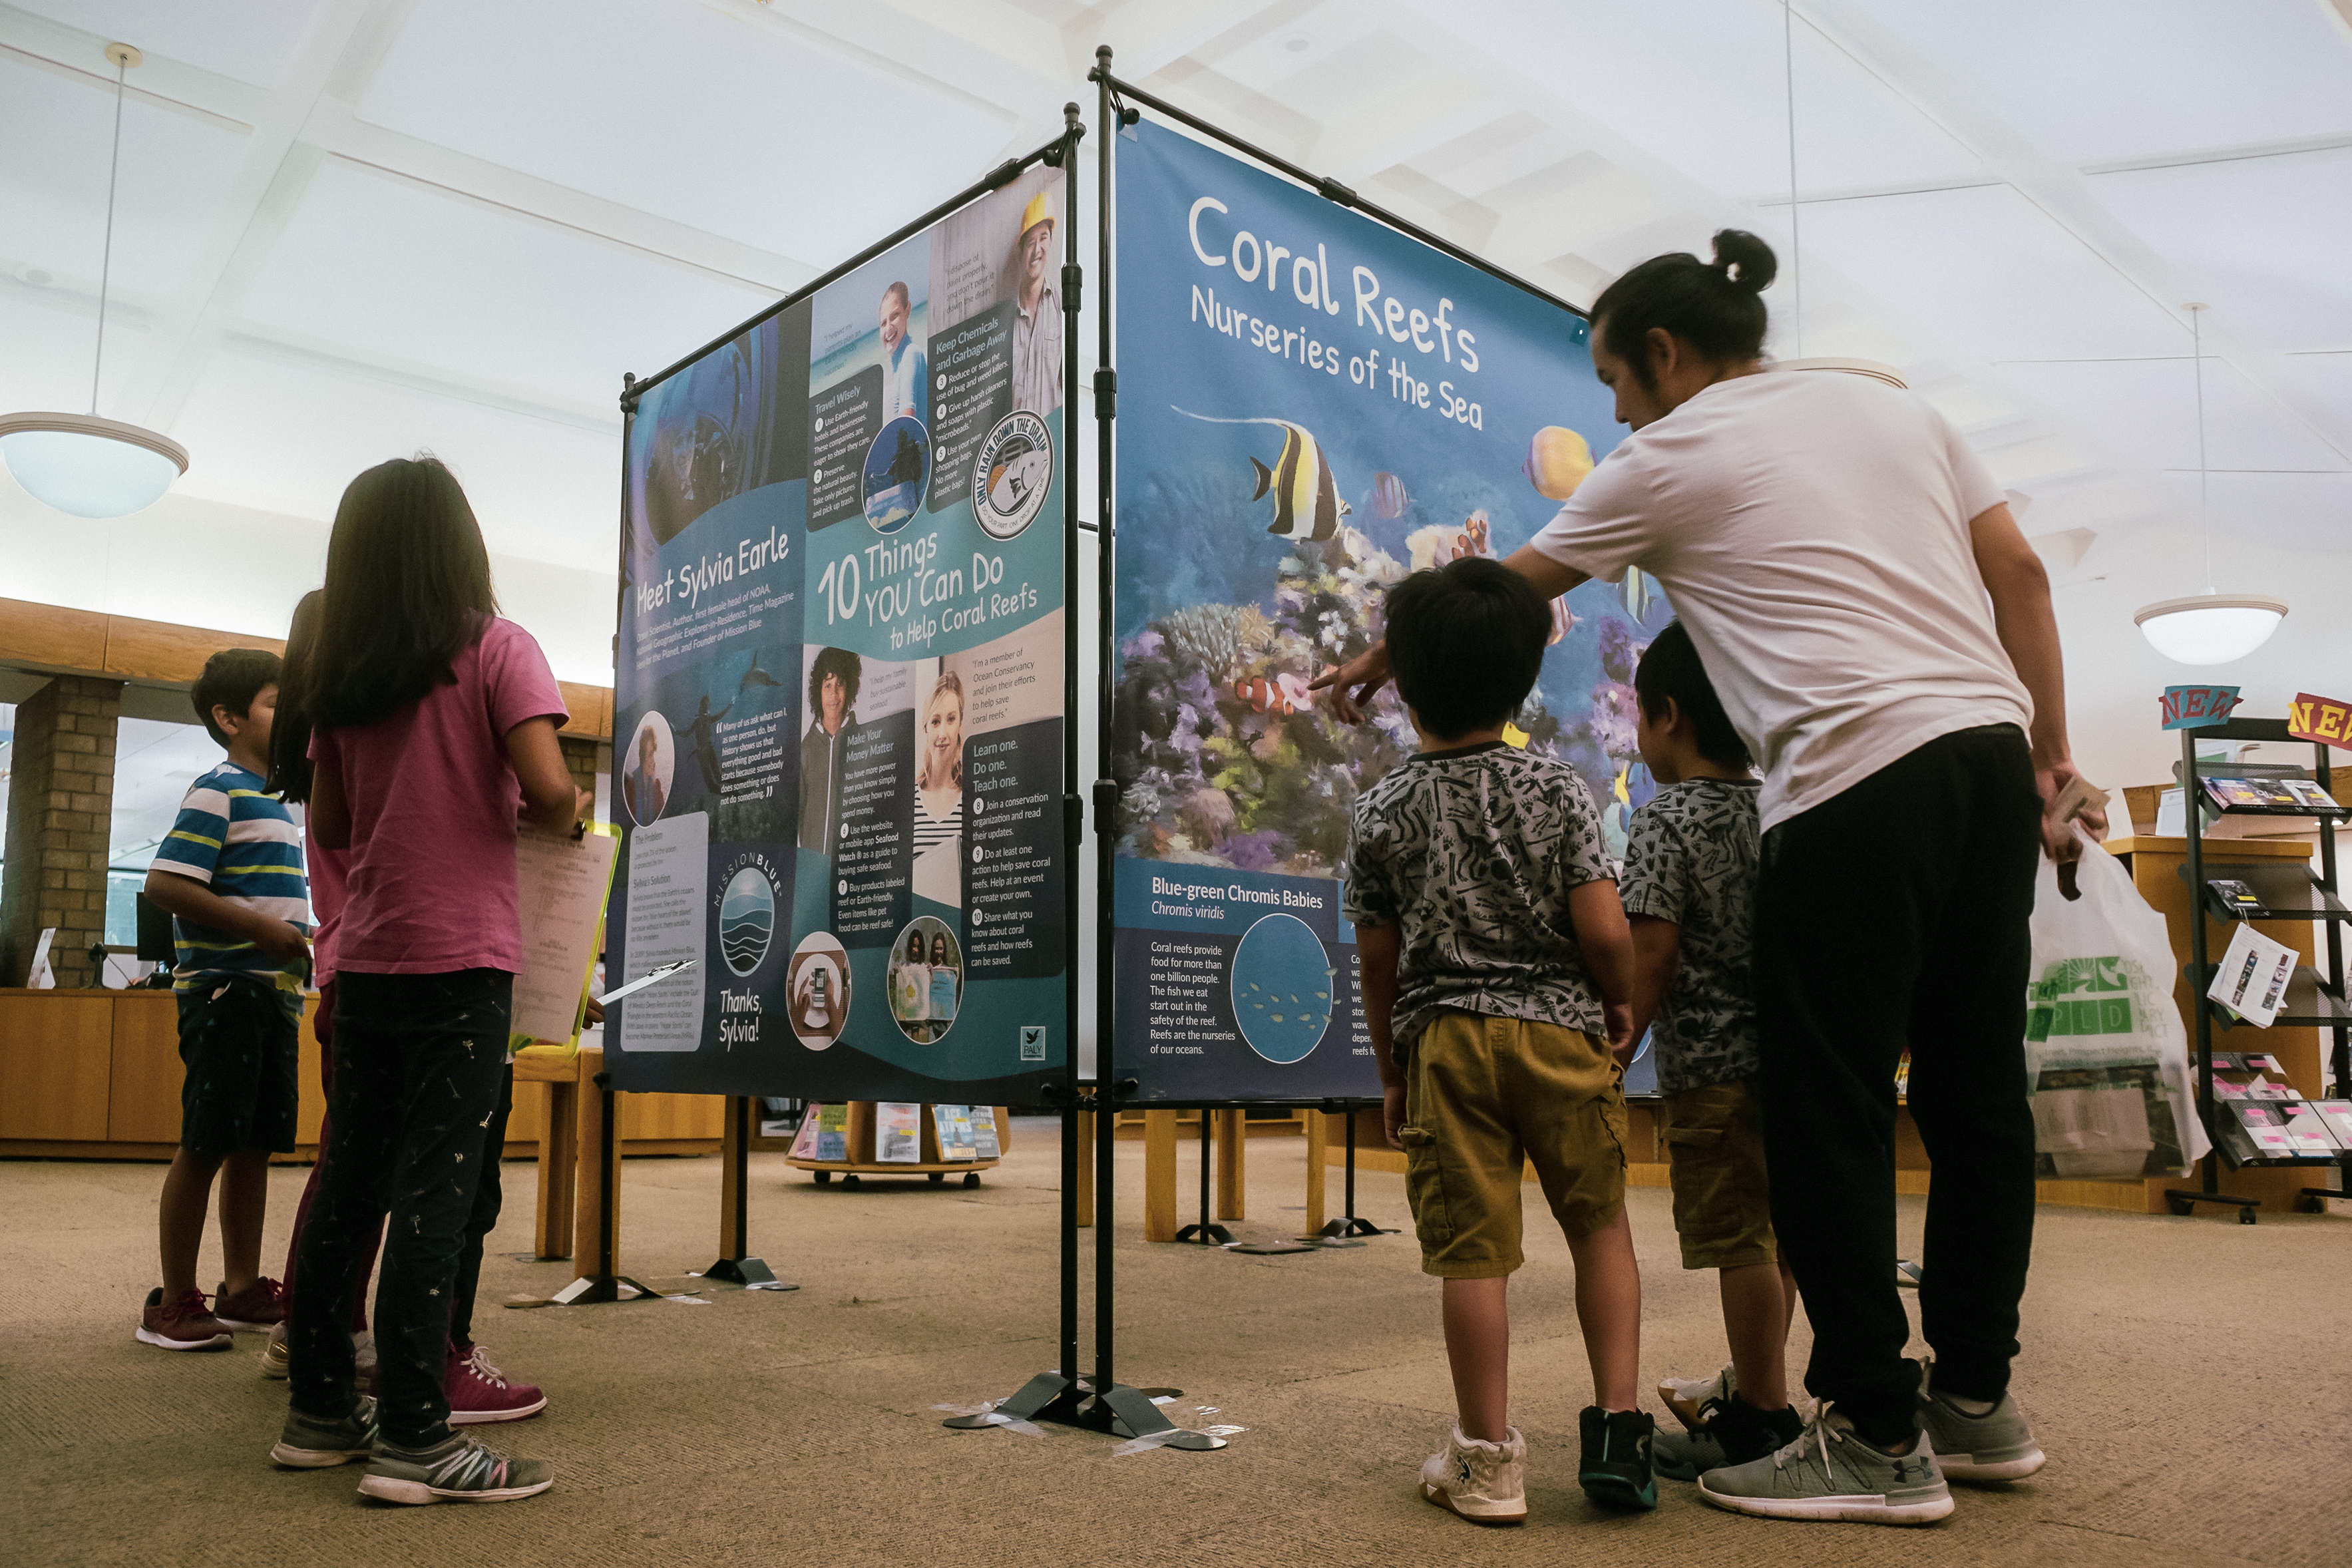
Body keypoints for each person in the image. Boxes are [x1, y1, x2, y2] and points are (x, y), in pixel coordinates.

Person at [1318, 230, 2088, 1525]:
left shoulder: (1669, 451)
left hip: (1854, 783)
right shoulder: (1893, 405)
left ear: (1665, 355)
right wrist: (2052, 752)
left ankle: (1872, 1430)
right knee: (1974, 1096)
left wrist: (1374, 659)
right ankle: (1974, 1401)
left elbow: (1508, 596)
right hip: (1985, 759)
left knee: (1826, 1106)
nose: (1615, 411)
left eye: (1618, 380)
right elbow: (2021, 570)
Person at [271, 456, 582, 1504]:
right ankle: (414, 1436)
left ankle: (318, 1411)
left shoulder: (341, 681)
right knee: (437, 1199)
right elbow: (547, 791)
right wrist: (567, 812)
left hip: (367, 966)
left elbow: (333, 827)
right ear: (464, 544)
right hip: (463, 968)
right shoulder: (501, 647)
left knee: (349, 1188)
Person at [1343, 556, 1650, 1527]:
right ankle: (1618, 1434)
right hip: (1560, 1036)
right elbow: (1604, 930)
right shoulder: (1558, 788)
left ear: (1407, 683)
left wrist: (1391, 1071)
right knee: (1599, 1228)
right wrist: (1617, 998)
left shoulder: (1380, 810)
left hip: (1444, 1045)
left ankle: (1485, 1463)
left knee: (1471, 1256)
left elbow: (1378, 965)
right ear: (1524, 677)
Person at [1618, 621, 1802, 1481]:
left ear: (1669, 715)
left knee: (1739, 1241)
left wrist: (1610, 1052)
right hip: (1797, 1063)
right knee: (1779, 1231)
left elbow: (1649, 953)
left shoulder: (1664, 822)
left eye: (1636, 716)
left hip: (1713, 1075)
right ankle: (1760, 1383)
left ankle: (1759, 1416)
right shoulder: (1784, 810)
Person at [138, 649, 311, 1351]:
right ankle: (174, 1297)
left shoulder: (281, 799)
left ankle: (241, 1287)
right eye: (276, 704)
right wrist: (260, 928)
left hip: (275, 996)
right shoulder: (220, 790)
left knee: (256, 1145)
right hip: (226, 992)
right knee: (208, 1140)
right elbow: (166, 884)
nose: (292, 717)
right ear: (229, 717)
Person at [257, 593, 379, 1384]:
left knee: (347, 1162)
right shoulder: (350, 745)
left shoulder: (320, 755)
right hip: (364, 972)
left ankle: (307, 1319)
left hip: (341, 967)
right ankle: (320, 1324)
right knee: (354, 1169)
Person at [799, 648, 861, 853]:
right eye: (828, 685)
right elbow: (800, 816)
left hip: (849, 866)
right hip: (815, 869)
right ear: (819, 691)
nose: (834, 694)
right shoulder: (805, 750)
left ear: (849, 687)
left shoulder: (862, 741)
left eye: (840, 684)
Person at [910, 672, 964, 906]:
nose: (943, 733)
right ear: (926, 728)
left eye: (951, 719)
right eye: (936, 721)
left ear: (960, 722)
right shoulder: (907, 803)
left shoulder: (973, 801)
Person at [1008, 190, 1062, 416]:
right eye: (1030, 242)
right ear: (1021, 250)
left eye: (1043, 238)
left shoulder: (1062, 306)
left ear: (1050, 243)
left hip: (1053, 438)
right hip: (1011, 442)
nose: (1037, 250)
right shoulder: (1005, 318)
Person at [878, 280, 927, 427]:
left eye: (894, 316)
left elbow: (908, 420)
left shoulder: (910, 355)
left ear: (908, 311)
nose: (888, 329)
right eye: (883, 323)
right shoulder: (899, 365)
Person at [892, 928, 932, 1042]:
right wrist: (897, 974)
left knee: (915, 1039)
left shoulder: (925, 968)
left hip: (917, 1014)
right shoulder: (903, 968)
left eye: (918, 947)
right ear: (909, 947)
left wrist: (931, 976)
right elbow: (900, 991)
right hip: (904, 1015)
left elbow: (926, 993)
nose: (915, 950)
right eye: (914, 946)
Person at [624, 721, 666, 824]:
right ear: (642, 757)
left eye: (654, 754)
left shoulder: (657, 785)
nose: (653, 761)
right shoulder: (630, 788)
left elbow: (662, 817)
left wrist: (654, 784)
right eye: (650, 755)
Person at [926, 931, 958, 1039]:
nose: (939, 952)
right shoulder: (927, 968)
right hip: (931, 1023)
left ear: (944, 950)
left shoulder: (947, 970)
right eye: (936, 948)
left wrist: (956, 976)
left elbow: (951, 993)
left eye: (941, 949)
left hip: (944, 1024)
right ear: (932, 949)